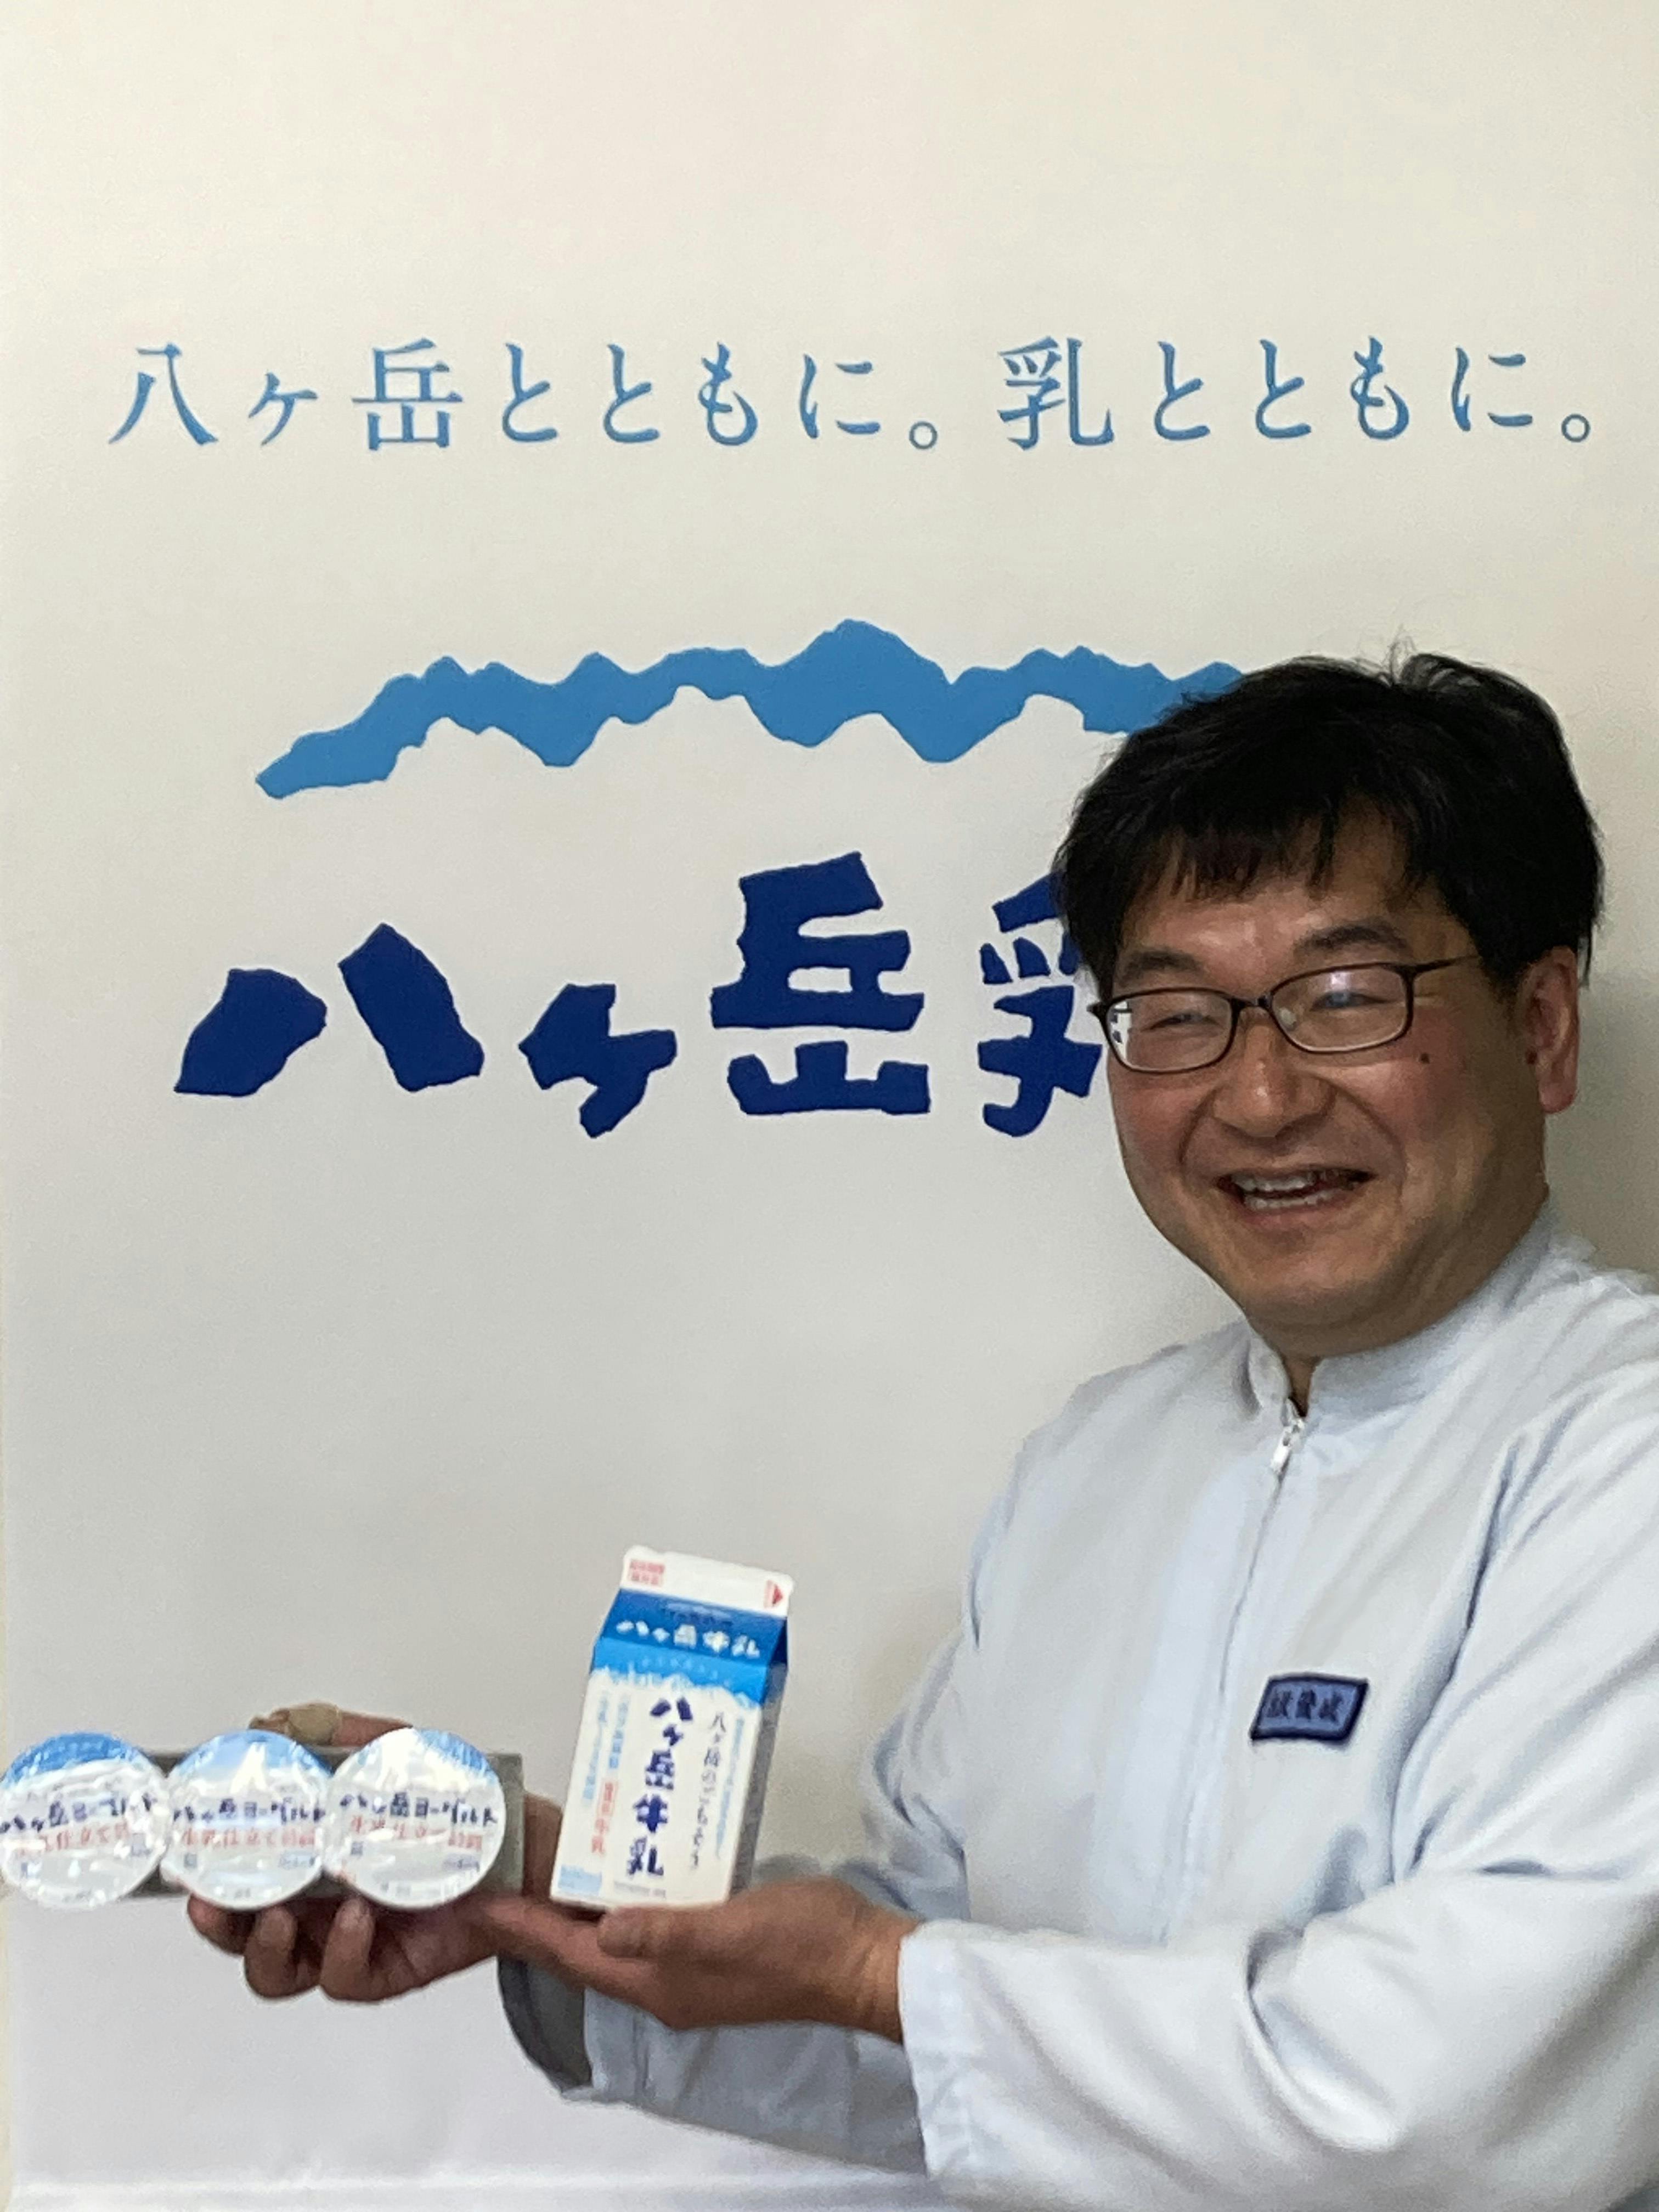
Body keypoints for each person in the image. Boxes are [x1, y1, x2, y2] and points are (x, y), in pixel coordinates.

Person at [190, 651, 1659, 2212]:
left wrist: (881, 1973)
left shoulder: (1614, 1450)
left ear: (1542, 1027)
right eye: (1176, 1014)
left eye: (1344, 998)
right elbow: (951, 2041)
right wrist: (540, 1896)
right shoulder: (1101, 1463)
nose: (1259, 1096)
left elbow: (1460, 2107)